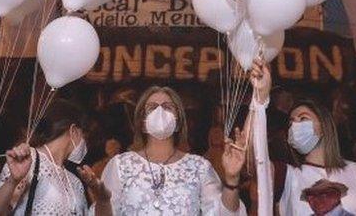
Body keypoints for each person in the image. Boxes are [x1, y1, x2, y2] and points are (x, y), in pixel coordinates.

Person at [249, 60, 356, 216]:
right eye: (291, 123)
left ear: (324, 126)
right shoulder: (286, 175)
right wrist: (259, 99)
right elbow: (253, 156)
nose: (295, 126)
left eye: (303, 118)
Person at [96, 85, 247, 214]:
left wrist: (232, 179)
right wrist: (103, 202)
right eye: (152, 107)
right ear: (142, 123)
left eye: (167, 107)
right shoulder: (120, 165)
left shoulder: (199, 167)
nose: (160, 112)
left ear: (179, 122)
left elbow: (223, 214)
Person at [0, 99, 96, 215]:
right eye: (85, 137)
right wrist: (12, 181)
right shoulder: (27, 160)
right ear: (74, 131)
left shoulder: (75, 181)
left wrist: (102, 198)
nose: (85, 145)